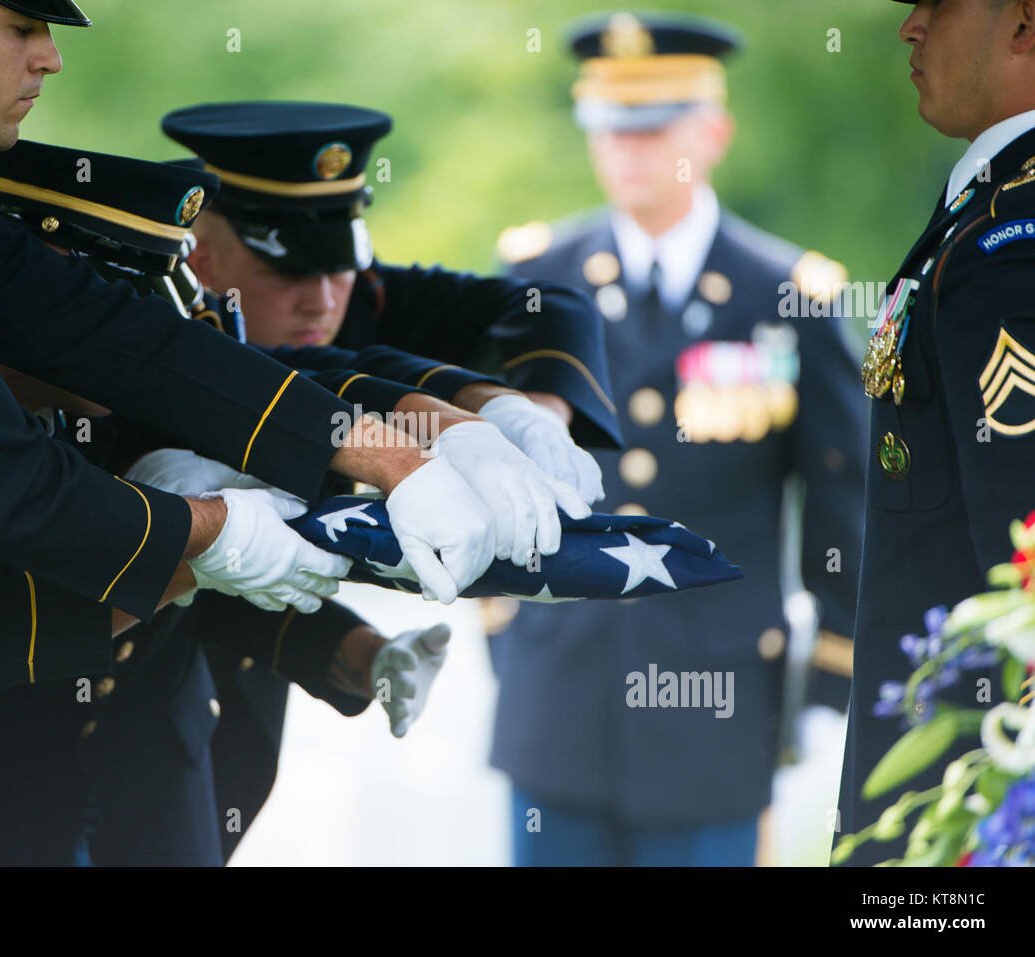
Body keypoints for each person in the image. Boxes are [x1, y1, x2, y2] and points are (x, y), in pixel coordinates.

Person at [0, 0, 520, 865]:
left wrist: (387, 454)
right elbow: (6, 481)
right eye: (25, 29)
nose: (50, 60)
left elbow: (113, 333)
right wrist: (220, 534)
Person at [161, 100, 625, 857]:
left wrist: (533, 412)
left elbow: (542, 304)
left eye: (339, 267)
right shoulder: (147, 303)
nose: (321, 299)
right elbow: (304, 382)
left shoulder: (345, 302)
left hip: (215, 736)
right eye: (286, 269)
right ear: (201, 257)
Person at [489, 10, 868, 866]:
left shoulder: (788, 293)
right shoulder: (538, 277)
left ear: (716, 132)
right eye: (608, 128)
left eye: (655, 129)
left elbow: (843, 492)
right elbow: (489, 465)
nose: (628, 149)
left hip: (716, 708)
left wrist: (833, 679)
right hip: (557, 696)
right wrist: (498, 632)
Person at [835, 0, 1035, 866]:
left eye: (939, 2)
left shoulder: (1009, 244)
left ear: (1024, 22)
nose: (910, 27)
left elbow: (1023, 562)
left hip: (968, 797)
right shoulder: (984, 213)